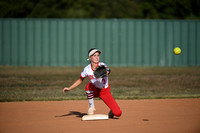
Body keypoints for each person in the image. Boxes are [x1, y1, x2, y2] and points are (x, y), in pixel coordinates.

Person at [63, 48, 122, 118]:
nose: (97, 57)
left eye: (98, 55)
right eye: (94, 55)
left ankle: (112, 110)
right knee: (88, 86)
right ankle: (92, 107)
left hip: (105, 91)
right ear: (90, 57)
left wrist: (106, 72)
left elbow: (108, 70)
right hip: (95, 90)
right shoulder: (87, 69)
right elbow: (80, 80)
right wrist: (69, 88)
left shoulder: (102, 65)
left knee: (118, 113)